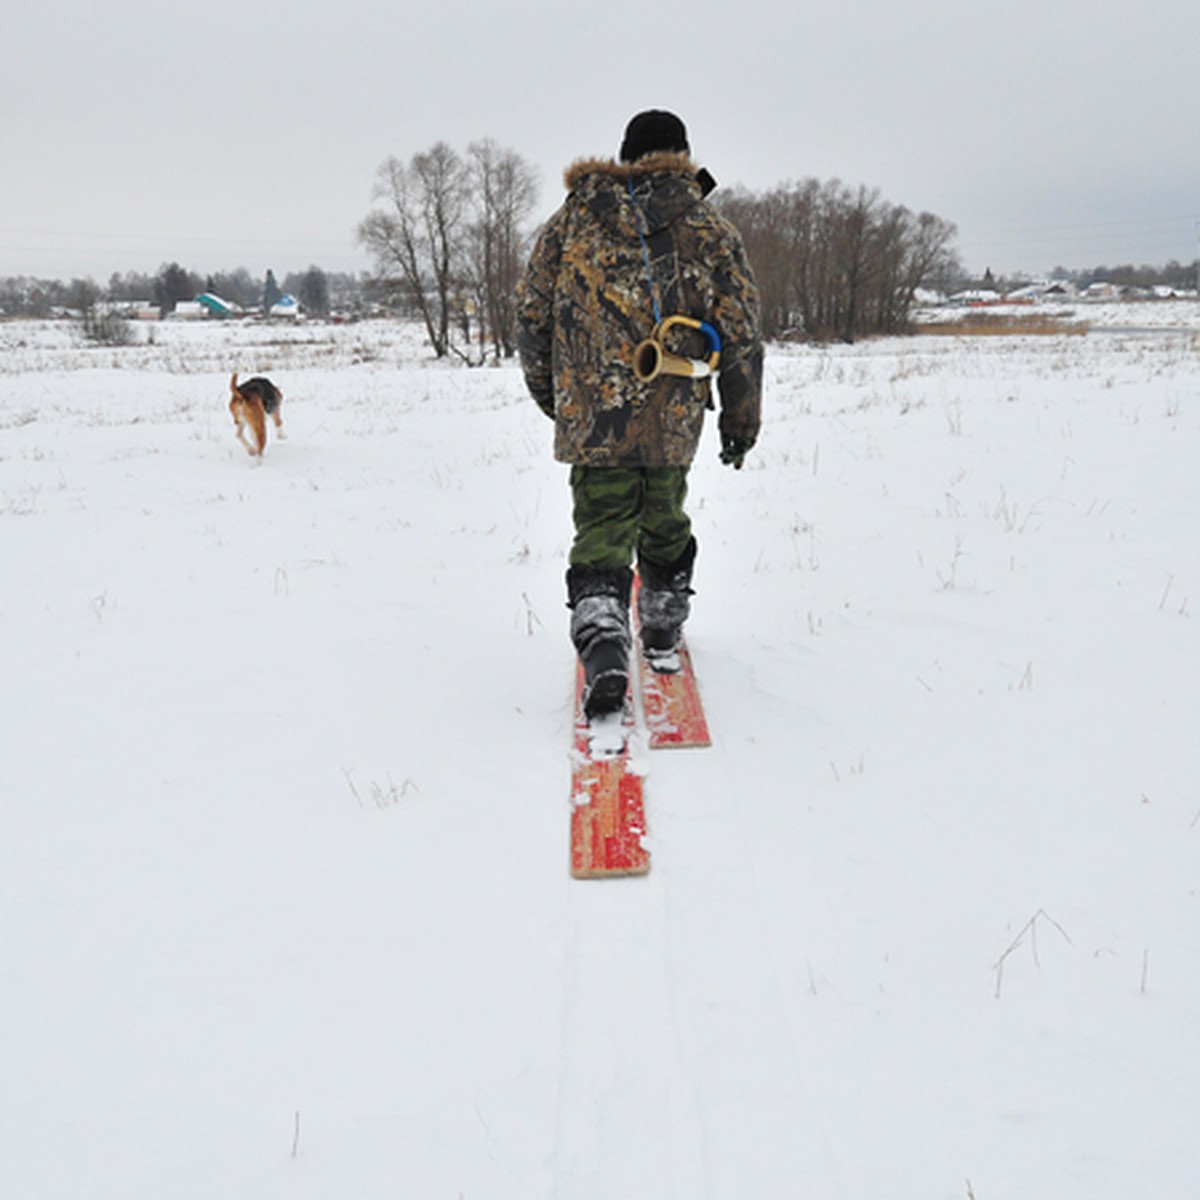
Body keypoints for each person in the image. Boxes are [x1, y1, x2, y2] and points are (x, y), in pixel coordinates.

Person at [516, 109, 763, 717]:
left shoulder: (571, 220)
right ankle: (660, 625)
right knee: (663, 512)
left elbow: (531, 317)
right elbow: (741, 331)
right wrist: (739, 419)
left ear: (627, 157)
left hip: (593, 414)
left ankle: (603, 641)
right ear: (681, 154)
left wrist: (560, 400)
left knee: (600, 526)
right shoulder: (709, 228)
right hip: (674, 410)